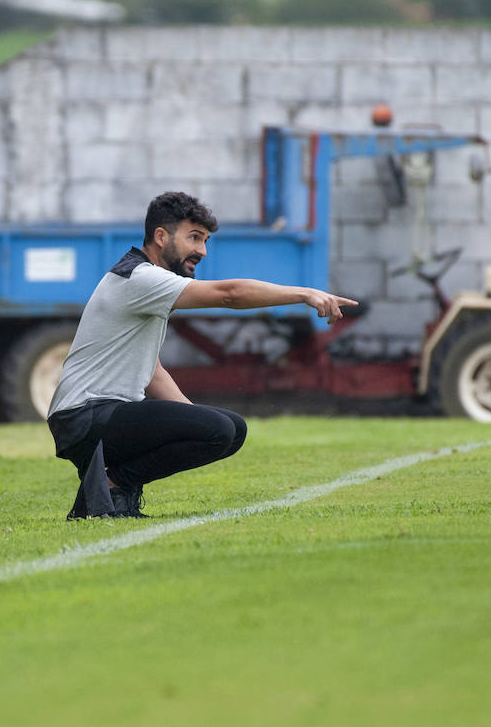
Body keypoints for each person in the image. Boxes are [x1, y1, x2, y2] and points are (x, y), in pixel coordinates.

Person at [47, 191, 358, 520]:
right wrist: (305, 293)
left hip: (97, 415)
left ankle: (112, 492)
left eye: (206, 240)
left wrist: (193, 422)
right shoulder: (140, 278)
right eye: (194, 238)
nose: (202, 251)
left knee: (231, 429)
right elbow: (229, 294)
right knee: (219, 429)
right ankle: (112, 487)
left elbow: (151, 371)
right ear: (161, 236)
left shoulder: (143, 281)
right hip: (84, 417)